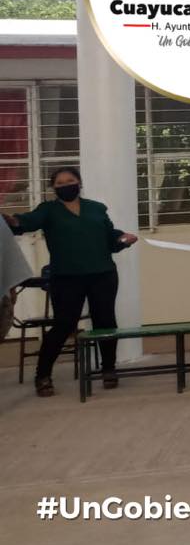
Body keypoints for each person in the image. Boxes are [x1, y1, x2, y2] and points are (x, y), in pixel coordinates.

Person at [6, 168, 138, 397]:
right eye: (60, 182)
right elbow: (24, 222)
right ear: (53, 187)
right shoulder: (47, 211)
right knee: (64, 325)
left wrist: (122, 238)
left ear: (79, 183)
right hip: (66, 278)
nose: (66, 184)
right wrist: (11, 220)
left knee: (105, 321)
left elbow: (110, 238)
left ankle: (109, 369)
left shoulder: (96, 208)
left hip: (103, 274)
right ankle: (43, 375)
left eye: (70, 180)